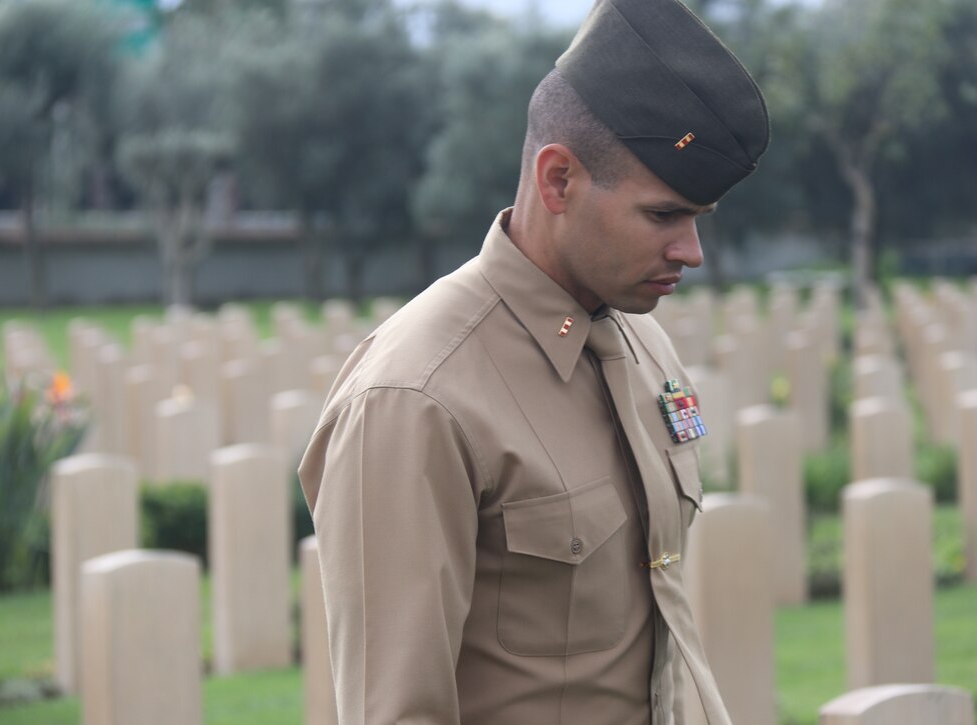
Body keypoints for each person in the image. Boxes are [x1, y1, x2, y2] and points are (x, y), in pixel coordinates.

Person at [298, 0, 769, 723]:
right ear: (558, 181)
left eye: (698, 221)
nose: (690, 253)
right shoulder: (415, 395)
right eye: (663, 215)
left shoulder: (641, 342)